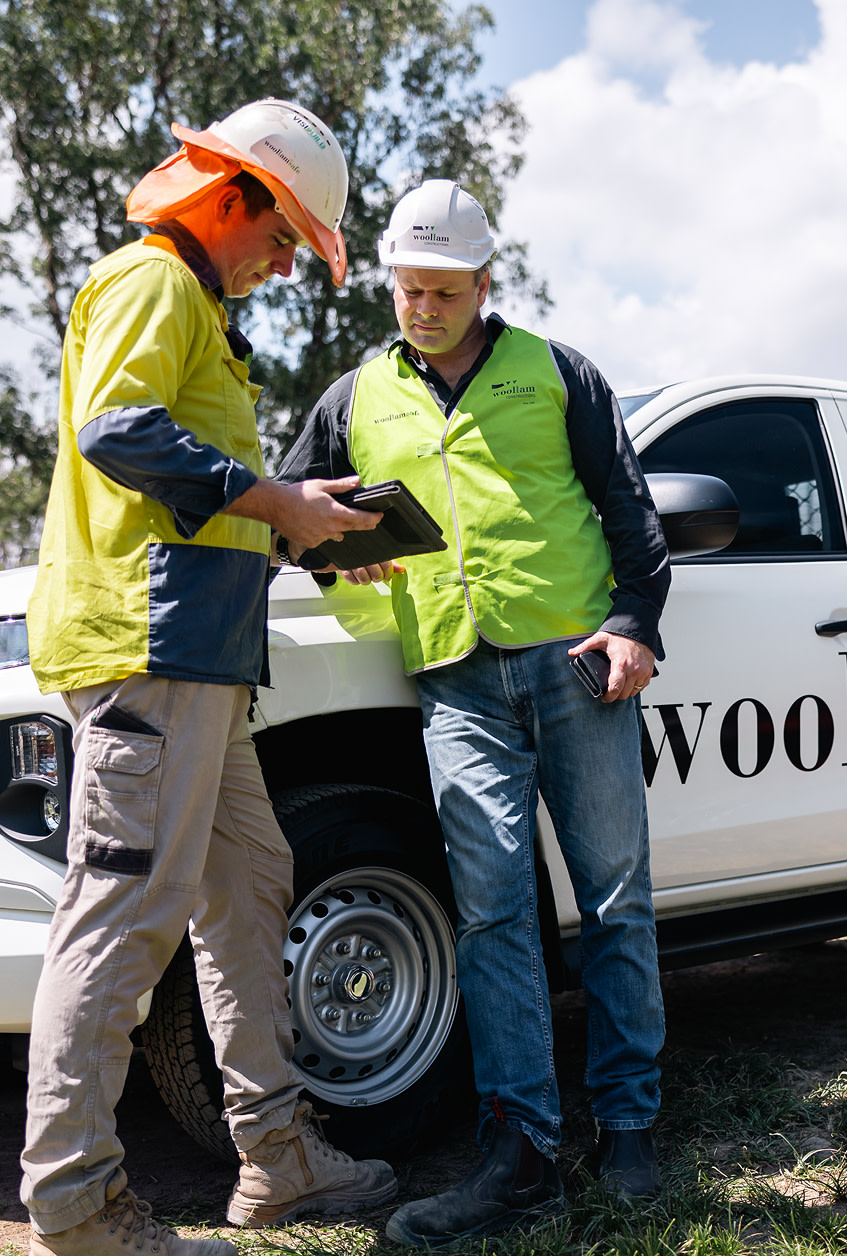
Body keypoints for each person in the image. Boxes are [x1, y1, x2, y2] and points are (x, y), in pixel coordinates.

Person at [20, 100, 398, 1256]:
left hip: (205, 661)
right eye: (284, 236)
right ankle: (78, 1207)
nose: (286, 264)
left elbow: (200, 493)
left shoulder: (195, 307)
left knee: (251, 886)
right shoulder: (151, 282)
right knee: (123, 911)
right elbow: (119, 433)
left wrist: (304, 529)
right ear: (231, 197)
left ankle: (276, 1159)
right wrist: (276, 498)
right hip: (151, 649)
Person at [276, 179, 670, 1246]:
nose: (424, 306)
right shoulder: (354, 395)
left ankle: (629, 1124)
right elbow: (285, 509)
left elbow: (632, 516)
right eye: (408, 288)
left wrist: (634, 624)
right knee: (492, 912)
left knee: (616, 899)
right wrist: (328, 554)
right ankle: (522, 1147)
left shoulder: (559, 372)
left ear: (485, 283)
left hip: (574, 662)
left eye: (444, 289)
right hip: (452, 677)